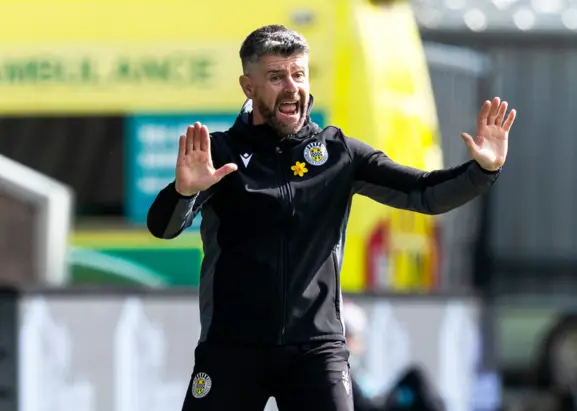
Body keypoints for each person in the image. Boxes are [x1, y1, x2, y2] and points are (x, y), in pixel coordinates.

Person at [146, 24, 516, 411]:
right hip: (232, 345)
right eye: (276, 77)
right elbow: (164, 227)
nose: (291, 87)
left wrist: (481, 171)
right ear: (248, 86)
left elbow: (424, 192)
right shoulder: (219, 154)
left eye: (299, 74)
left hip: (316, 349)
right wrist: (183, 192)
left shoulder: (338, 153)